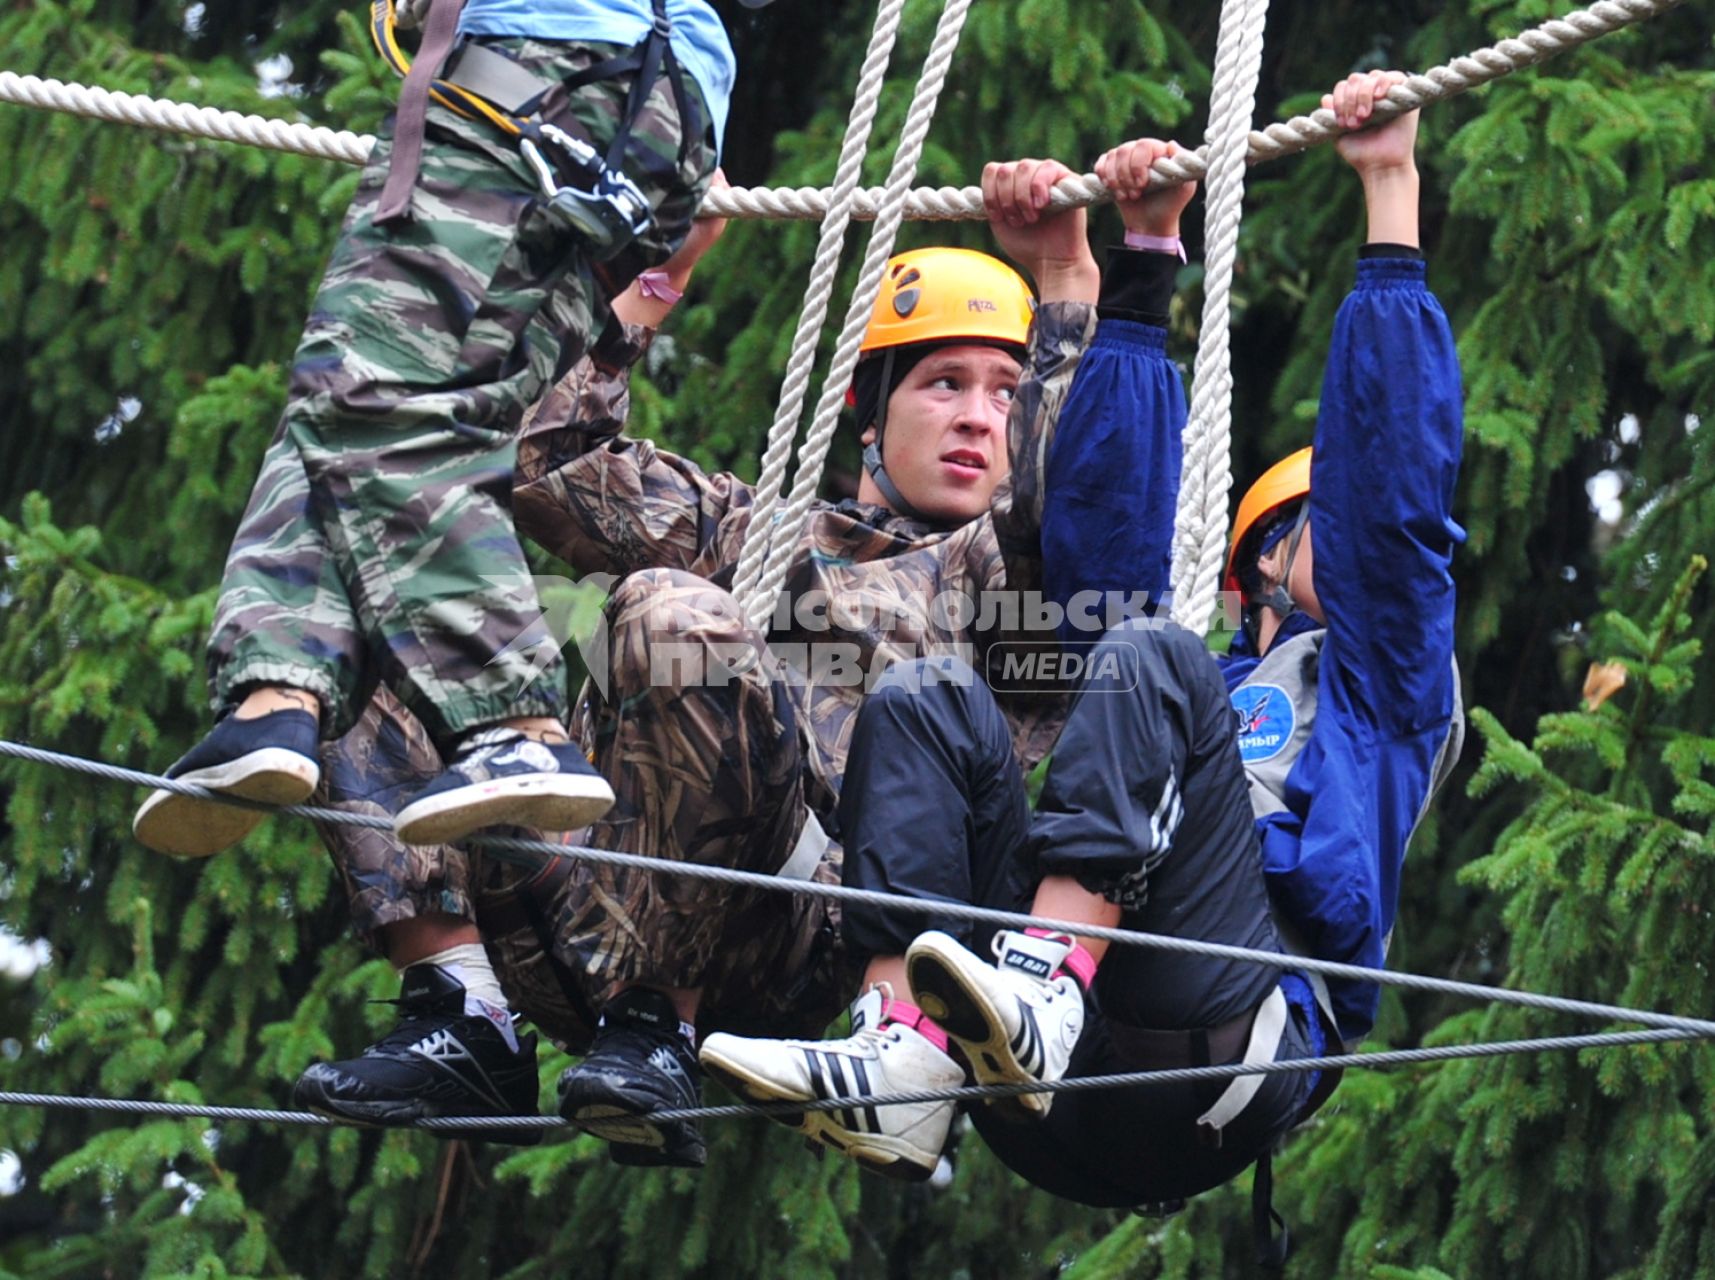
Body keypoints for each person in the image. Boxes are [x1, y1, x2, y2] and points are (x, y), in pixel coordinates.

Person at [701, 69, 1466, 1220]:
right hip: (1044, 1098)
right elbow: (1100, 547)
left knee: (1140, 647)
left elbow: (1398, 504)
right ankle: (898, 1046)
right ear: (1261, 558)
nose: (1353, 534)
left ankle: (1044, 979)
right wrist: (1142, 260)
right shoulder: (1184, 676)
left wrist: (1389, 190)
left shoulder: (1389, 685)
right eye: (1323, 521)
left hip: (1212, 1039)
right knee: (926, 698)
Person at [289, 166, 1154, 1168]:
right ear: (868, 418)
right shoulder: (758, 528)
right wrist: (658, 274)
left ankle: (664, 1012)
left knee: (670, 608)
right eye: (942, 382)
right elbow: (540, 462)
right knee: (398, 592)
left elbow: (1080, 506)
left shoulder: (1008, 580)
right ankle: (464, 1005)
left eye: (1005, 392)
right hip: (576, 902)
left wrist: (1063, 289)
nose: (976, 417)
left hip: (791, 934)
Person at [132, 0, 742, 859]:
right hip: (644, 110)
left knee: (379, 405)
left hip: (538, 76)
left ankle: (511, 719)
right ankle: (277, 694)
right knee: (367, 394)